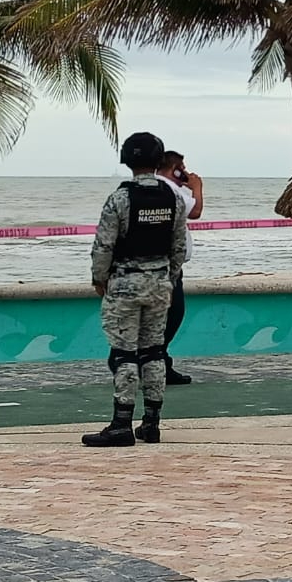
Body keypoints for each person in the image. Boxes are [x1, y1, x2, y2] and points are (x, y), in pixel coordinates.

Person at [83, 132, 188, 447]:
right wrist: (166, 276)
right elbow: (179, 247)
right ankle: (152, 423)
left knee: (125, 353)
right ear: (159, 162)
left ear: (126, 160)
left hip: (125, 284)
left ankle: (121, 424)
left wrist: (99, 278)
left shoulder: (120, 198)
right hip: (159, 284)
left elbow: (104, 245)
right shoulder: (174, 198)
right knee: (154, 351)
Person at [157, 150, 204, 385]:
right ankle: (159, 362)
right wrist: (196, 186)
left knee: (161, 317)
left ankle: (159, 362)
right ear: (175, 168)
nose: (185, 172)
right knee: (173, 314)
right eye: (182, 168)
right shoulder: (173, 191)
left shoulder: (155, 187)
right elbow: (195, 212)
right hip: (169, 267)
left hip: (156, 264)